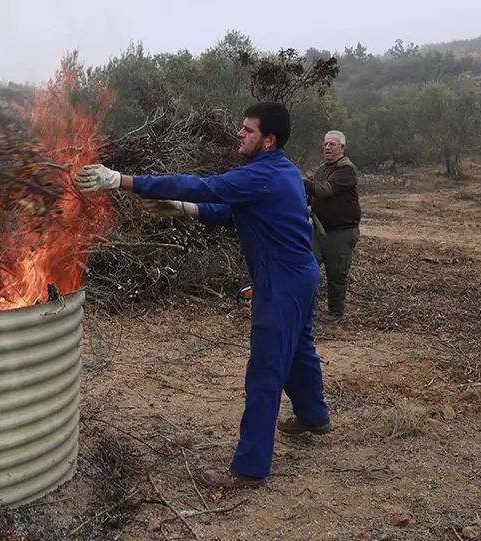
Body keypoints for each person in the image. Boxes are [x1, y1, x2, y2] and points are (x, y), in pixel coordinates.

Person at [74, 102, 331, 489]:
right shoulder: (281, 170)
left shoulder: (261, 175)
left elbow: (202, 184)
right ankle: (314, 417)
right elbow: (234, 212)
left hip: (282, 281)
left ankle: (250, 468)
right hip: (298, 274)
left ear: (269, 139)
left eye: (248, 130)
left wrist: (121, 180)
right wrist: (187, 209)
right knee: (298, 349)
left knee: (266, 368)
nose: (240, 134)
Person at [305, 130, 361, 323]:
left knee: (336, 275)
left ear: (342, 148)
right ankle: (307, 310)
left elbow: (324, 190)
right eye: (326, 144)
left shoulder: (346, 169)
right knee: (308, 267)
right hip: (320, 230)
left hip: (342, 232)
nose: (327, 147)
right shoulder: (322, 169)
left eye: (332, 144)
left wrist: (302, 182)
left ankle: (336, 313)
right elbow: (311, 196)